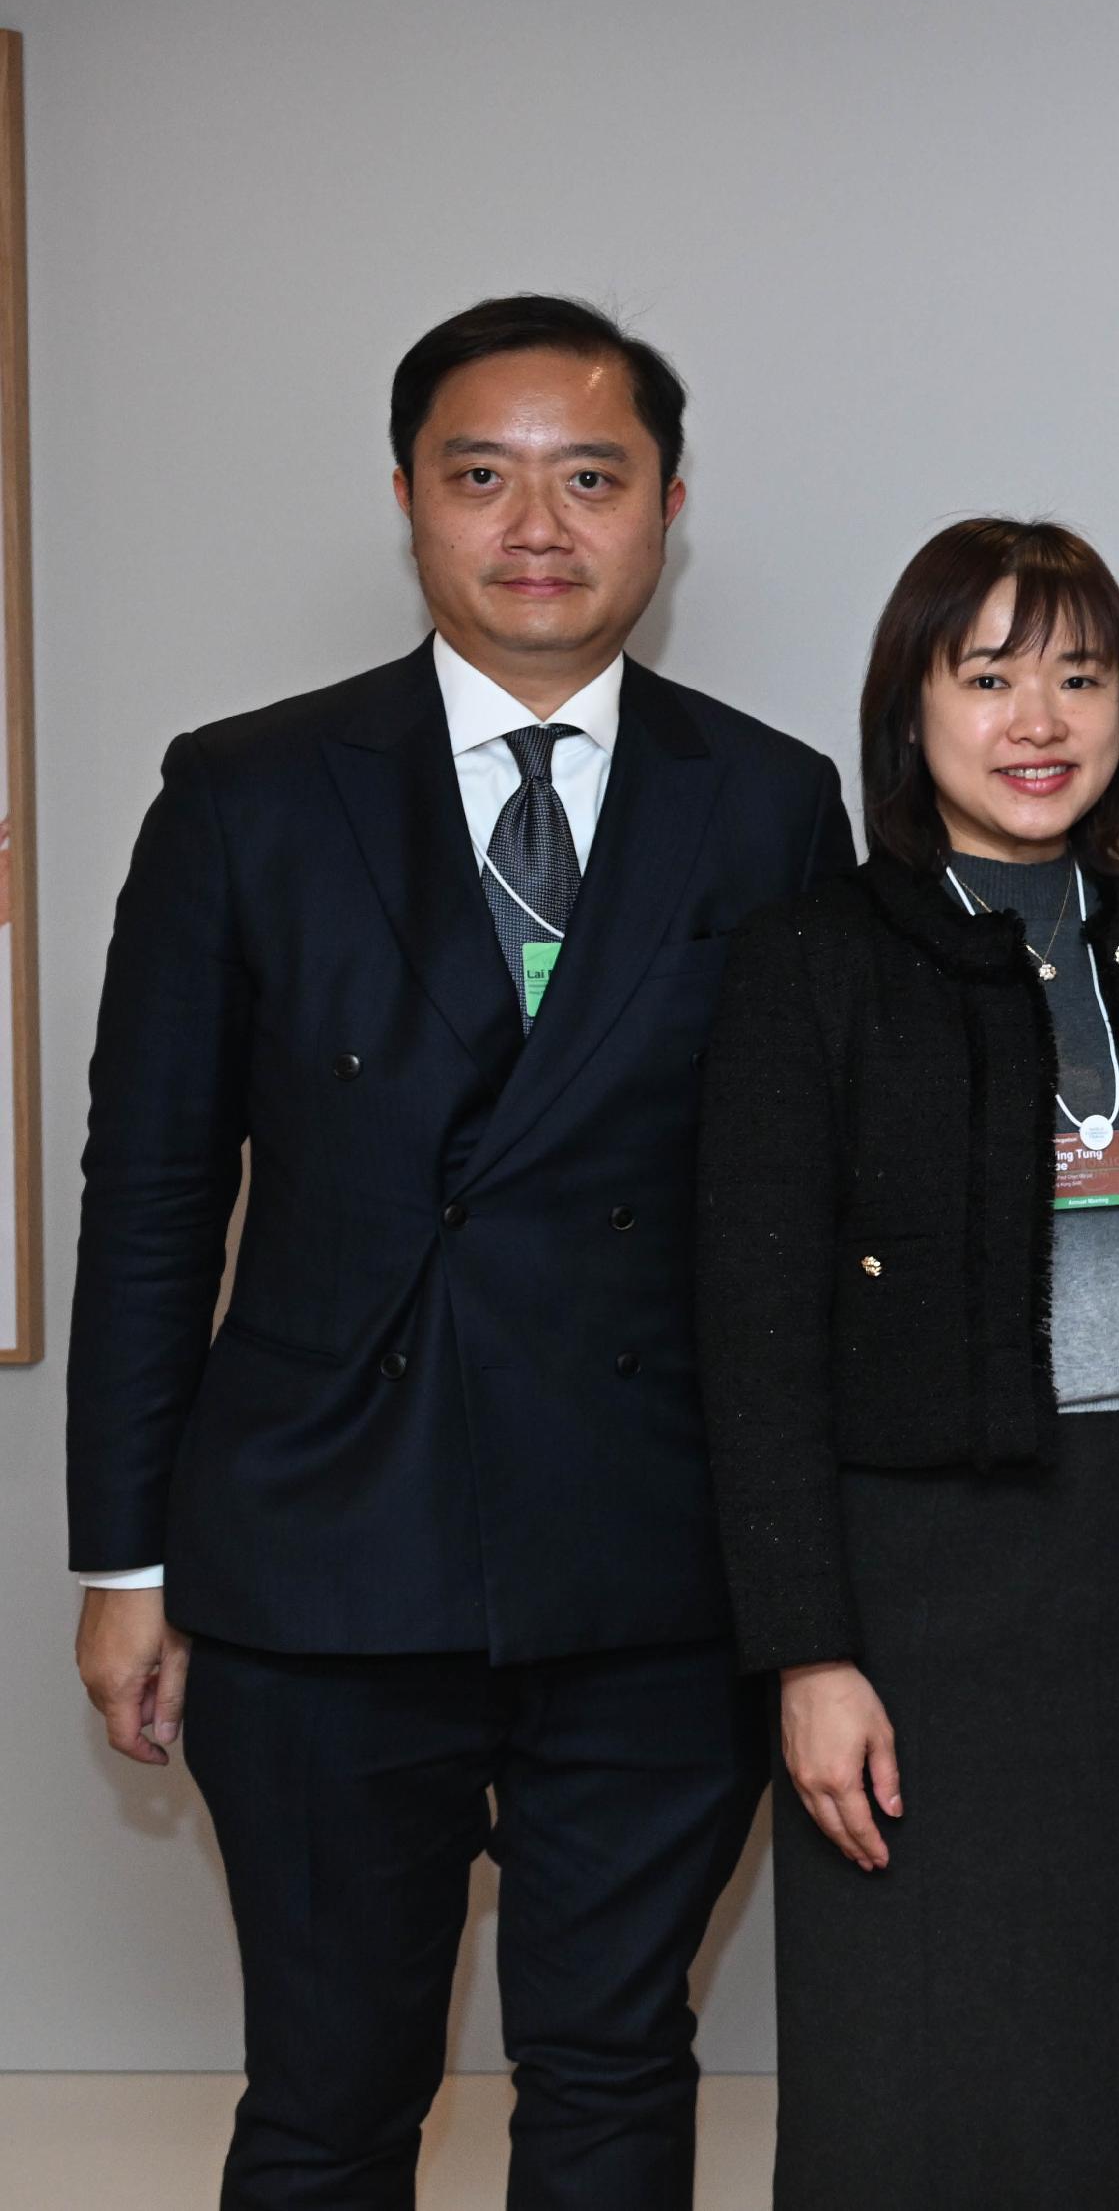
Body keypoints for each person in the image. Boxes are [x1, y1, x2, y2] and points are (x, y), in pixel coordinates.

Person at [65, 296, 849, 2207]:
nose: (538, 526)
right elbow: (153, 1194)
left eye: (593, 479)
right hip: (322, 1554)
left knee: (613, 2071)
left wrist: (819, 1584)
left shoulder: (764, 801)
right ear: (408, 498)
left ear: (668, 509)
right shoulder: (248, 790)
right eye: (481, 476)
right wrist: (125, 1560)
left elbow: (808, 1219)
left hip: (653, 1555)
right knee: (332, 2091)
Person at [694, 519, 1119, 2207]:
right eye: (988, 679)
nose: (1039, 720)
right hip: (919, 1598)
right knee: (929, 2070)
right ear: (911, 713)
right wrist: (808, 1653)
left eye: (1080, 678)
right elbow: (753, 1341)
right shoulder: (812, 959)